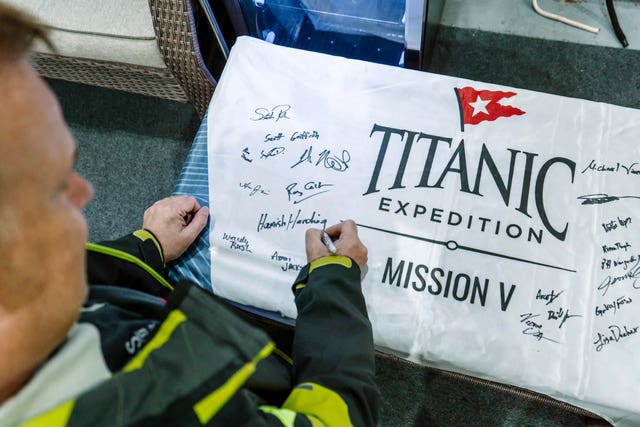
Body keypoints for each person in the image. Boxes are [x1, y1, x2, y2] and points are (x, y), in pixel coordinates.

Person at [0, 5, 379, 426]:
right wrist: (336, 287)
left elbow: (86, 268)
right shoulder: (149, 407)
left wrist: (146, 247)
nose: (85, 192)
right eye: (53, 190)